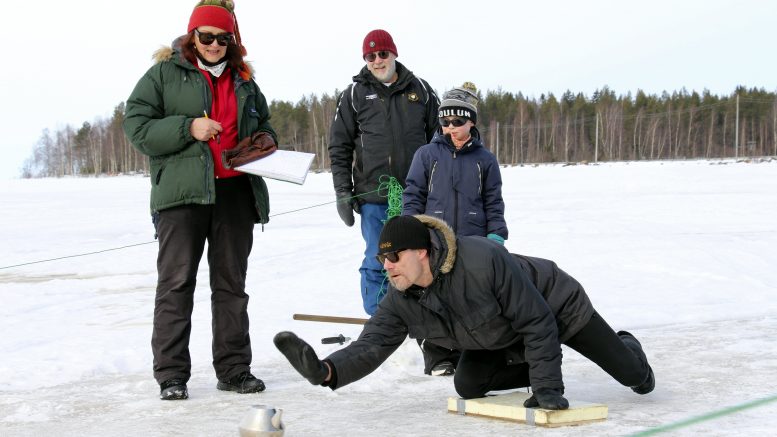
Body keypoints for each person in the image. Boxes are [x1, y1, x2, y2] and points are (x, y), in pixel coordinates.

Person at [274, 215, 655, 410]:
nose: (386, 265)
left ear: (421, 251)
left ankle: (626, 347)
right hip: (496, 333)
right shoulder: (401, 295)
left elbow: (537, 321)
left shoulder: (482, 262)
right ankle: (546, 363)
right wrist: (327, 371)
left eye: (393, 256)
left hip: (556, 307)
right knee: (468, 386)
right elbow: (371, 344)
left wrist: (547, 389)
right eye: (381, 258)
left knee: (636, 379)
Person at [123, 0, 276, 400]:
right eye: (206, 37)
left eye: (222, 38)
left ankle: (234, 369)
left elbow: (264, 124)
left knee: (231, 287)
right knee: (175, 285)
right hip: (182, 196)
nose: (213, 45)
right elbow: (136, 125)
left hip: (234, 195)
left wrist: (265, 142)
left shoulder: (244, 80)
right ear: (192, 36)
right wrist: (187, 127)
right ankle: (172, 376)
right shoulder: (163, 74)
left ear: (231, 40)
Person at [328, 29, 439, 317]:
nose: (377, 60)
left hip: (417, 195)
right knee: (380, 259)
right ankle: (381, 319)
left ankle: (424, 315)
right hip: (375, 197)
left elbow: (438, 141)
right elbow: (339, 147)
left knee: (421, 257)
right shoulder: (353, 95)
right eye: (370, 56)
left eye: (382, 54)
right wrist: (343, 190)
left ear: (394, 54)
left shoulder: (422, 90)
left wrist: (438, 185)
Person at [402, 84, 509, 376]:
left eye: (458, 122)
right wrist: (410, 230)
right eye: (445, 122)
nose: (451, 127)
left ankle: (468, 353)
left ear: (471, 121)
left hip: (473, 239)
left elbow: (493, 200)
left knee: (471, 296)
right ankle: (438, 356)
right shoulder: (426, 155)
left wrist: (496, 234)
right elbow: (413, 194)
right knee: (435, 295)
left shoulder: (484, 160)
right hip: (434, 238)